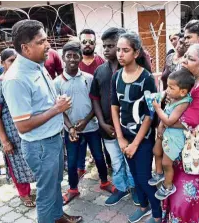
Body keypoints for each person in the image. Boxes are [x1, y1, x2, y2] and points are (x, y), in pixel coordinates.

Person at [2, 20, 82, 223]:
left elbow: (40, 103)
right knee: (46, 195)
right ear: (25, 48)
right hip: (40, 146)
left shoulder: (37, 64)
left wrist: (55, 104)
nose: (48, 45)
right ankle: (50, 217)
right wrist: (56, 109)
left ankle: (58, 217)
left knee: (55, 184)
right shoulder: (16, 79)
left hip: (53, 139)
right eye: (42, 41)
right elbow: (23, 124)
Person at [162, 44, 199, 222]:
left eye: (190, 59)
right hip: (185, 150)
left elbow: (187, 121)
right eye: (185, 56)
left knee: (189, 199)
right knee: (182, 196)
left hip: (197, 154)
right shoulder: (191, 82)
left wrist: (165, 121)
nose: (184, 61)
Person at [54, 41, 114, 205]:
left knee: (99, 157)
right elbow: (58, 109)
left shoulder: (89, 78)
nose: (72, 59)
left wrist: (86, 120)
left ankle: (104, 182)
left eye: (75, 55)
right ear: (63, 58)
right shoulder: (57, 82)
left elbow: (96, 103)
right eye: (69, 56)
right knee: (72, 162)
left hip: (92, 127)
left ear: (80, 57)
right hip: (71, 131)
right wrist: (71, 127)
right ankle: (73, 189)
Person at [111, 31, 162, 223]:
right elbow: (114, 108)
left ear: (136, 52)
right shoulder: (116, 77)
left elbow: (150, 114)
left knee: (143, 177)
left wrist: (135, 144)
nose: (120, 54)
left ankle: (158, 214)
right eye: (118, 50)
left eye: (125, 50)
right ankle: (143, 206)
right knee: (133, 174)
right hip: (124, 137)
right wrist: (120, 138)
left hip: (143, 137)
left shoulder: (147, 78)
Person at [89, 27, 140, 206]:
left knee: (130, 160)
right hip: (107, 129)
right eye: (105, 46)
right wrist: (102, 123)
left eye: (112, 46)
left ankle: (135, 189)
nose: (107, 50)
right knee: (116, 162)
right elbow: (94, 99)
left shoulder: (133, 69)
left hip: (128, 128)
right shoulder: (100, 71)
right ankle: (121, 187)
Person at [0, 48, 36, 208]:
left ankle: (36, 189)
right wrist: (5, 140)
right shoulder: (0, 84)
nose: (15, 64)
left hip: (27, 130)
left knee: (31, 161)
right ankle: (24, 194)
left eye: (17, 60)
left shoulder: (21, 79)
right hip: (10, 133)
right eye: (11, 61)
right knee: (16, 164)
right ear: (2, 63)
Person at [149, 69, 194, 200]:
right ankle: (158, 173)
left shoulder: (183, 102)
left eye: (171, 87)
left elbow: (169, 120)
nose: (167, 90)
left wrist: (158, 109)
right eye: (167, 86)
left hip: (174, 137)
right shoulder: (174, 98)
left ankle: (168, 185)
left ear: (183, 92)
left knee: (167, 163)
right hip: (165, 132)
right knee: (156, 151)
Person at [77, 28, 111, 178]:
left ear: (95, 43)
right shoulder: (74, 62)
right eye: (84, 41)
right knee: (81, 140)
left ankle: (109, 164)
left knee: (105, 139)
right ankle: (80, 167)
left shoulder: (101, 62)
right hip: (82, 110)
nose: (87, 45)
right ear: (80, 43)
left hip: (100, 109)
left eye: (91, 42)